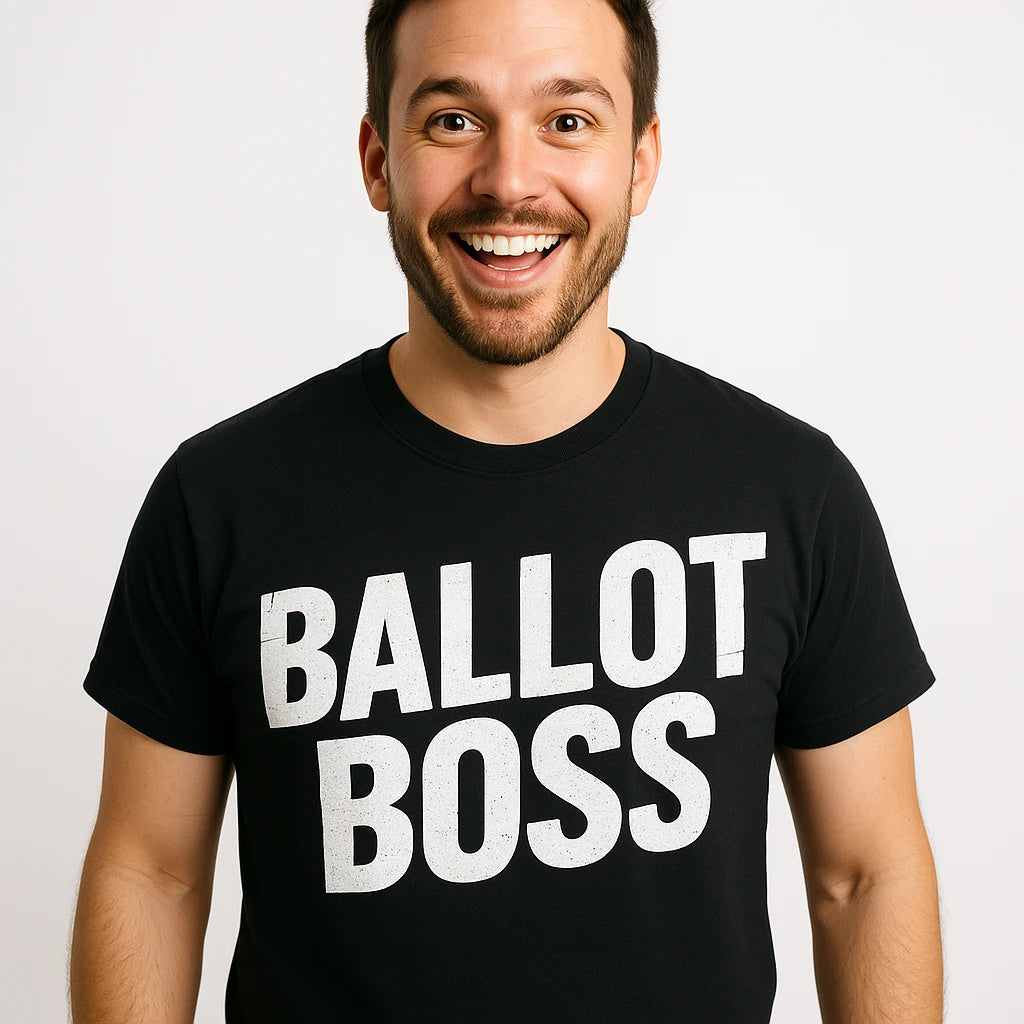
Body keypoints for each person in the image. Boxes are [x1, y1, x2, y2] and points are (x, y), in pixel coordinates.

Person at [69, 0, 943, 1021]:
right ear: (376, 159)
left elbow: (864, 876)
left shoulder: (791, 493)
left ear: (641, 162)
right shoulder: (219, 499)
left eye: (567, 120)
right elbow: (151, 872)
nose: (510, 180)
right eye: (451, 120)